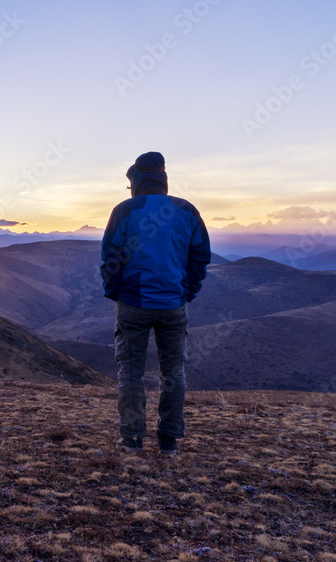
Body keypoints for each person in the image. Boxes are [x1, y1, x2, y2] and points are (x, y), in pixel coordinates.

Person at [100, 152, 211, 455]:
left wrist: (115, 292)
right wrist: (187, 291)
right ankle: (169, 439)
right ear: (163, 177)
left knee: (131, 372)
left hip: (133, 303)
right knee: (174, 372)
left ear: (134, 180)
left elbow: (110, 257)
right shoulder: (186, 210)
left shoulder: (125, 210)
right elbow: (200, 256)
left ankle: (132, 438)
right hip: (173, 304)